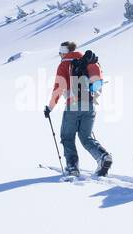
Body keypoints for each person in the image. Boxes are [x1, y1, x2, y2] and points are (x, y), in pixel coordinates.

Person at [46, 41, 113, 177]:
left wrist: (50, 107)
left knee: (67, 137)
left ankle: (72, 166)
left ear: (63, 52)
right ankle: (103, 156)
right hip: (90, 104)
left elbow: (59, 88)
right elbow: (98, 84)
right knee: (86, 137)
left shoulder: (64, 64)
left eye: (60, 53)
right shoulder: (88, 60)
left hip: (73, 105)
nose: (60, 56)